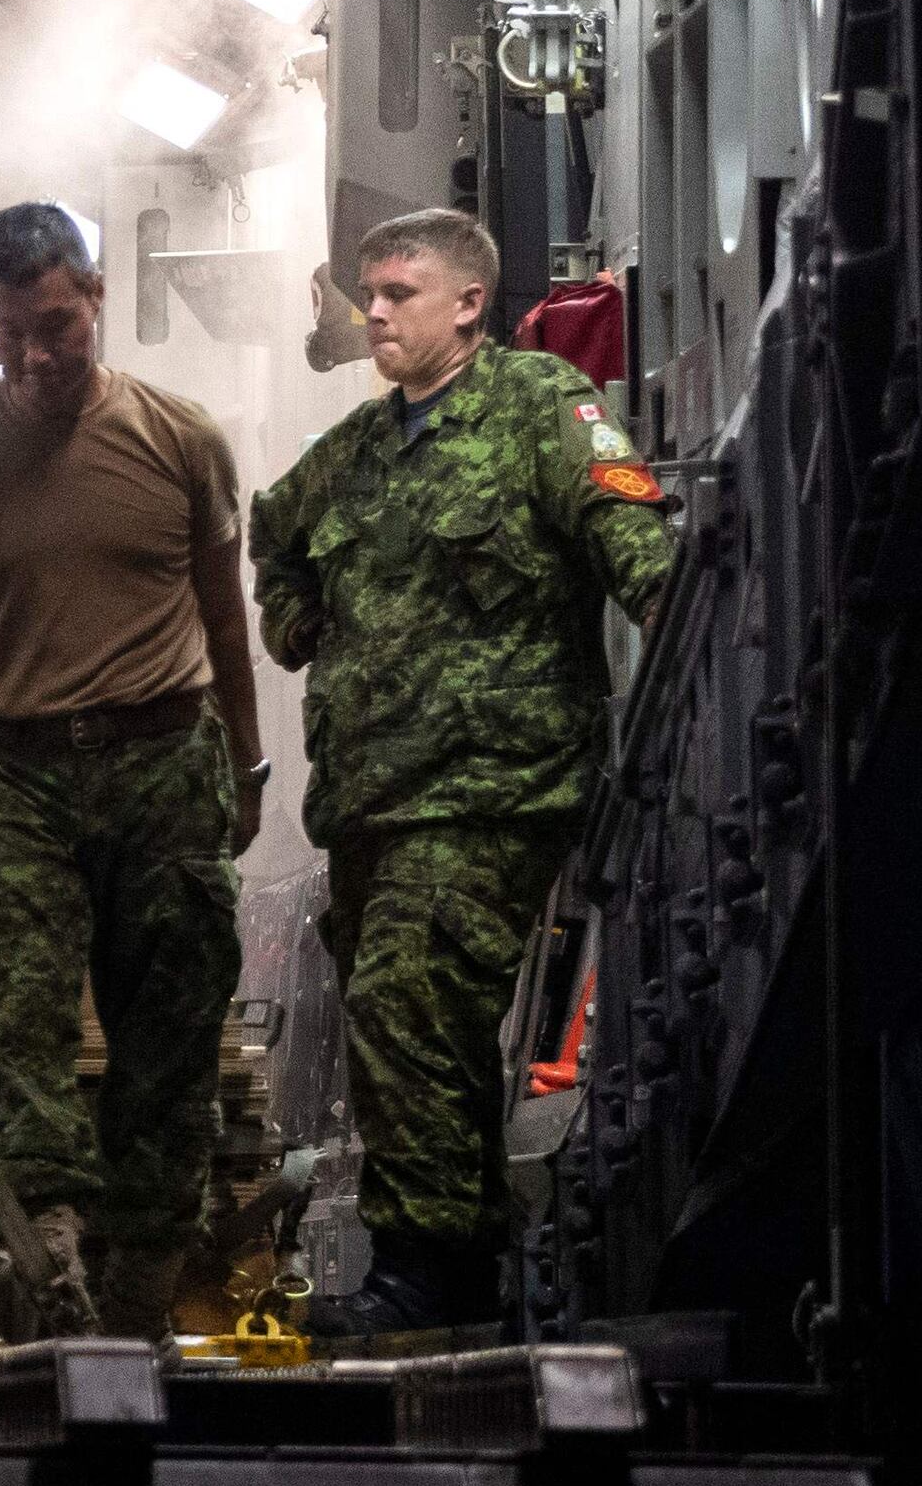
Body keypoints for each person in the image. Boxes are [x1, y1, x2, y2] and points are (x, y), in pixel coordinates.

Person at [253, 206, 672, 1334]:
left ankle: (421, 1275)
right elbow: (271, 536)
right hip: (371, 803)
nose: (372, 311)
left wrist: (676, 618)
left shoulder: (537, 405)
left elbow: (629, 535)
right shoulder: (350, 456)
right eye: (367, 294)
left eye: (395, 293)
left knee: (407, 997)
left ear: (466, 303)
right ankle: (466, 1270)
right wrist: (297, 620)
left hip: (491, 785)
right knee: (401, 1027)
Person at [0, 200, 265, 1338]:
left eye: (55, 328)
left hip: (163, 758)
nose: (35, 358)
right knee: (21, 1023)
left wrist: (242, 764)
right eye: (8, 337)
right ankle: (45, 1250)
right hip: (23, 774)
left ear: (94, 300)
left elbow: (221, 614)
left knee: (168, 1037)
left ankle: (141, 1281)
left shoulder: (178, 439)